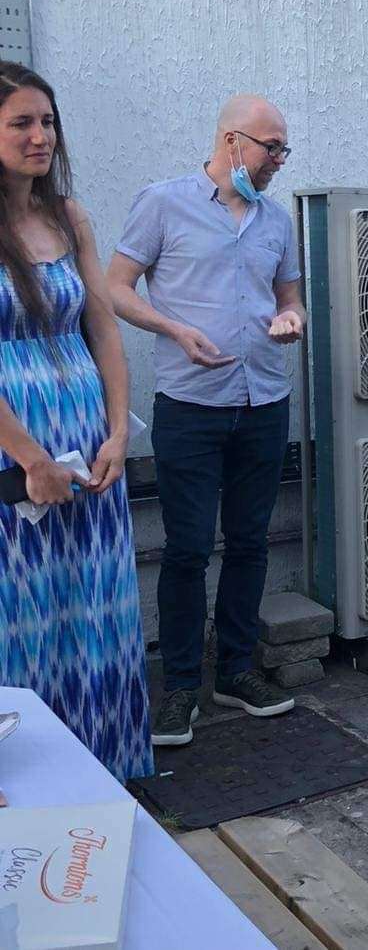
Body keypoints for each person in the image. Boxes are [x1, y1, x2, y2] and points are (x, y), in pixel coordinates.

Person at [106, 95, 305, 747]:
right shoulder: (164, 202)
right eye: (271, 147)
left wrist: (291, 320)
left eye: (283, 150)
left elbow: (289, 298)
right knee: (187, 548)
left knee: (249, 542)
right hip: (190, 405)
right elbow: (114, 286)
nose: (278, 160)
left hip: (263, 403)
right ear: (231, 139)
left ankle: (237, 670)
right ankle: (182, 685)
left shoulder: (276, 220)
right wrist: (173, 328)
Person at [0, 62, 152, 783]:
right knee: (22, 611)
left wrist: (120, 432)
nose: (40, 137)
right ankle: (28, 789)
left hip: (88, 441)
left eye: (47, 121)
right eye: (21, 123)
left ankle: (102, 771)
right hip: (15, 450)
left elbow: (103, 328)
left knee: (94, 604)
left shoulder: (70, 216)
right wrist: (28, 457)